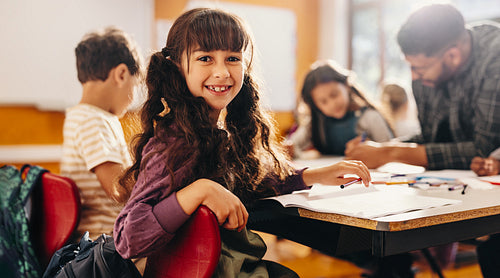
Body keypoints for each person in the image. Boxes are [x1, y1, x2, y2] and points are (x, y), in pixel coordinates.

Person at [112, 8, 371, 277]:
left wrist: (312, 175)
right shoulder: (174, 142)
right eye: (205, 58)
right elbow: (127, 237)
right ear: (177, 66)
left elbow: (252, 182)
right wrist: (201, 191)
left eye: (233, 58)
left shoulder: (216, 133)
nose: (222, 72)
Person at [345, 3, 500, 171]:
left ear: (453, 56)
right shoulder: (425, 76)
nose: (413, 76)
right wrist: (379, 148)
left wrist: (390, 153)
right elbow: (430, 138)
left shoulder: (494, 57)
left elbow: (484, 150)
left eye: (419, 68)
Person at [60, 26, 142, 241]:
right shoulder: (93, 121)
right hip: (103, 240)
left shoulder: (81, 116)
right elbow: (118, 189)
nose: (133, 97)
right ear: (122, 74)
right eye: (136, 85)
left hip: (99, 237)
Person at [288, 60, 393, 159]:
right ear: (315, 105)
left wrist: (375, 149)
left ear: (346, 86)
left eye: (334, 95)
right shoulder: (315, 124)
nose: (332, 104)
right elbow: (291, 146)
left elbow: (392, 151)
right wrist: (293, 150)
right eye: (323, 102)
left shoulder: (370, 117)